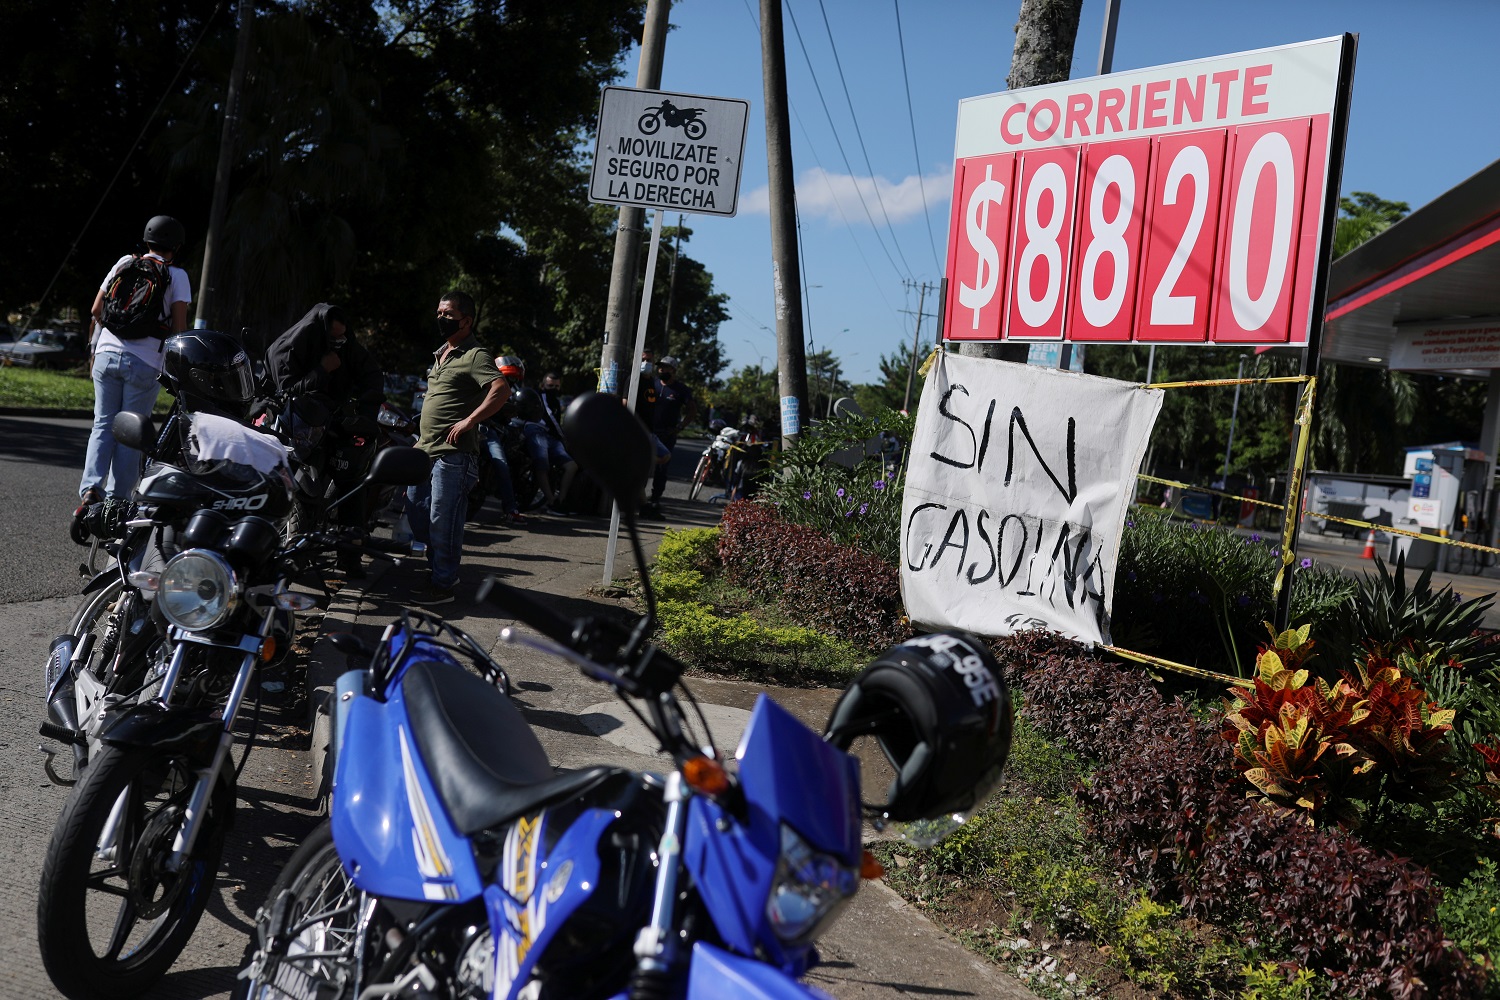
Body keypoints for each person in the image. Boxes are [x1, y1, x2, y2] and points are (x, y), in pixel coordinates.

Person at [78, 215, 192, 509]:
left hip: (106, 354)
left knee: (102, 424)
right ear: (176, 246)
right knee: (131, 434)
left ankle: (91, 489)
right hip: (144, 362)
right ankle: (116, 503)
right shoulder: (177, 276)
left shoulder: (124, 263)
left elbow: (96, 309)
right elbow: (179, 329)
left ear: (147, 240)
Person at [406, 291, 510, 605]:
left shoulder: (475, 354)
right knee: (417, 514)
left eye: (448, 314)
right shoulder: (441, 353)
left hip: (453, 455)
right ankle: (438, 570)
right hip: (424, 451)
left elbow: (501, 389)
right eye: (439, 312)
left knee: (444, 521)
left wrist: (469, 421)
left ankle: (443, 584)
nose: (441, 319)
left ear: (466, 320)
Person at [265, 303, 384, 574]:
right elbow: (287, 391)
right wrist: (321, 369)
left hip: (333, 422)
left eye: (343, 338)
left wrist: (365, 414)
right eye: (333, 338)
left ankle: (350, 557)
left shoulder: (348, 348)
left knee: (352, 483)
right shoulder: (289, 348)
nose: (338, 344)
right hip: (294, 425)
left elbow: (372, 375)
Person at [648, 355, 696, 506]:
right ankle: (637, 497)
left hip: (667, 434)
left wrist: (680, 427)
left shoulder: (681, 390)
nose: (661, 369)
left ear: (673, 370)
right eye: (660, 366)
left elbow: (692, 411)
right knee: (642, 463)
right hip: (649, 431)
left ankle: (655, 499)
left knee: (661, 468)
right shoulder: (652, 384)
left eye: (665, 367)